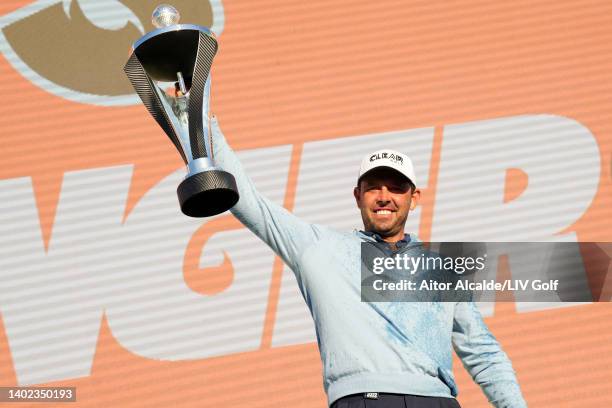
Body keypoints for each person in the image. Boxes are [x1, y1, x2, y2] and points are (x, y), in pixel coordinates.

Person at [209, 117, 527, 408]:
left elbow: (484, 355)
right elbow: (248, 202)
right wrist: (202, 124)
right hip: (362, 400)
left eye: (396, 187)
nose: (384, 196)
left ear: (414, 198)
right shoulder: (319, 247)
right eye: (373, 187)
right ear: (357, 195)